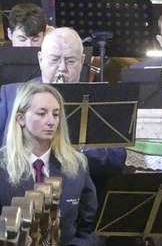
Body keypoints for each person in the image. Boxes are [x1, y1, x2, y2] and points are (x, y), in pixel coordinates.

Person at [0, 27, 126, 192]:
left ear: (82, 61)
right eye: (54, 59)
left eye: (71, 61)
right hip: (18, 192)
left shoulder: (98, 99)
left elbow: (117, 158)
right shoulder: (10, 95)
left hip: (76, 193)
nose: (62, 68)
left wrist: (76, 150)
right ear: (40, 59)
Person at [0, 82, 98, 245]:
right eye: (42, 113)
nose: (51, 121)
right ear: (20, 118)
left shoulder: (77, 164)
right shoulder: (2, 165)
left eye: (56, 114)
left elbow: (87, 225)